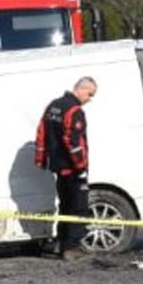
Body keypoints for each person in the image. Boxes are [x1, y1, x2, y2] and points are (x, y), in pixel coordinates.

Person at [34, 75, 98, 259]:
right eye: (90, 94)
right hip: (72, 168)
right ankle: (72, 247)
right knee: (78, 207)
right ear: (81, 89)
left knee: (65, 205)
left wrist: (42, 158)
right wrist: (81, 166)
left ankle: (62, 243)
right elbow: (73, 141)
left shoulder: (54, 105)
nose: (90, 99)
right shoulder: (74, 110)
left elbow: (41, 132)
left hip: (58, 166)